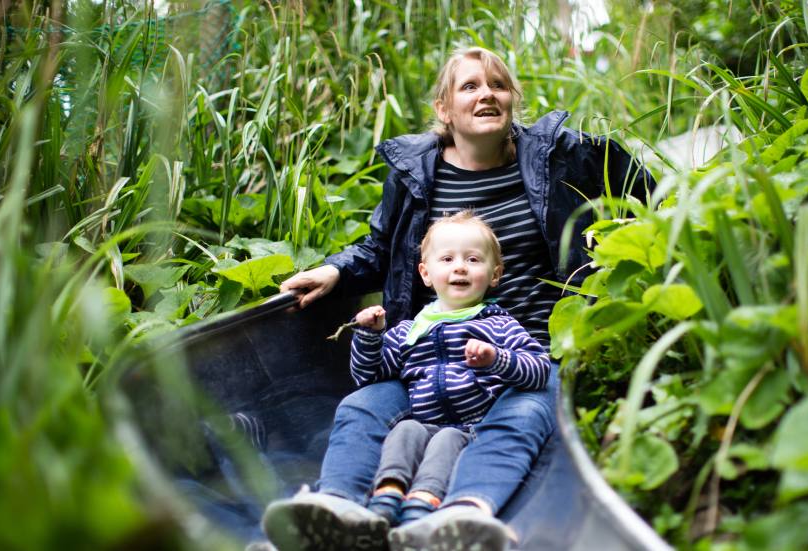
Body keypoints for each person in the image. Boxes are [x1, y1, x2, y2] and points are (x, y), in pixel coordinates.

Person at [262, 46, 654, 551]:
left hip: (528, 353)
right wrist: (336, 270)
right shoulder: (416, 174)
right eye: (470, 86)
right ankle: (337, 505)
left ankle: (464, 513)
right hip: (429, 355)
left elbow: (644, 191)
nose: (486, 94)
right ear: (445, 108)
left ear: (512, 99)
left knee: (524, 417)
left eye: (497, 85)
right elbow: (383, 245)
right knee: (363, 405)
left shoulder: (557, 156)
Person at [348, 211, 550, 532]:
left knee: (445, 441)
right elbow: (368, 375)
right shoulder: (411, 330)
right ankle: (385, 499)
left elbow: (538, 368)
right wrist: (370, 336)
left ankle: (420, 509)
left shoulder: (497, 325)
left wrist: (496, 358)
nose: (459, 267)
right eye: (447, 259)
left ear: (494, 274)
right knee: (405, 431)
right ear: (426, 274)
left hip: (471, 429)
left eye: (472, 259)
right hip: (423, 421)